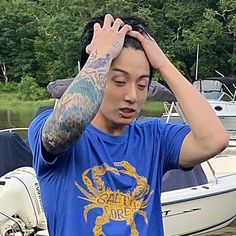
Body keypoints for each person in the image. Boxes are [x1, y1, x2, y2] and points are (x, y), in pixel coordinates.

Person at [28, 14, 228, 236]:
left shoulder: (155, 137)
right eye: (120, 82)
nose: (132, 96)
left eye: (142, 85)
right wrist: (100, 55)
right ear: (97, 74)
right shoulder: (49, 130)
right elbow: (71, 121)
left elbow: (214, 140)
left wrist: (163, 64)